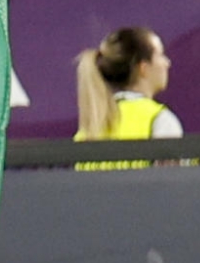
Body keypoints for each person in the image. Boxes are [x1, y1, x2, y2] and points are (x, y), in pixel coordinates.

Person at [74, 26, 181, 167]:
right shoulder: (160, 121)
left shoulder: (88, 130)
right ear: (143, 68)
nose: (167, 63)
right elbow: (173, 186)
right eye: (161, 55)